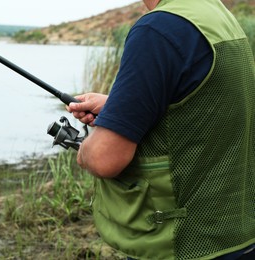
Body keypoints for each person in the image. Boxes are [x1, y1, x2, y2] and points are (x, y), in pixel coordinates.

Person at [66, 0, 255, 259]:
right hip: (236, 238)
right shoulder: (216, 14)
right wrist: (120, 109)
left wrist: (86, 148)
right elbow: (207, 104)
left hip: (182, 243)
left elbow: (103, 159)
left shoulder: (158, 29)